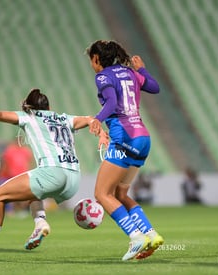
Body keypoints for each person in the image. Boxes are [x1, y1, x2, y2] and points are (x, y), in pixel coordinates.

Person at [0, 88, 100, 260]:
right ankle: (40, 222)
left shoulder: (29, 117)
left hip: (52, 172)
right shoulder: (64, 118)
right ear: (48, 107)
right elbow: (90, 119)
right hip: (73, 179)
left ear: (30, 108)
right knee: (35, 190)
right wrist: (102, 134)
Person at [86, 40, 164, 261]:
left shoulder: (103, 76)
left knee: (102, 194)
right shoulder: (130, 73)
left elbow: (111, 102)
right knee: (120, 194)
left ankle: (136, 237)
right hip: (143, 139)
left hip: (124, 139)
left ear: (96, 59)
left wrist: (97, 120)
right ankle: (150, 234)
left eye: (91, 60)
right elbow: (154, 87)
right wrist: (142, 69)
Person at [0, 138, 34, 216]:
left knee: (23, 194)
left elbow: (29, 164)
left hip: (22, 175)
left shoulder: (26, 151)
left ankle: (22, 210)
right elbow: (6, 164)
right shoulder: (10, 150)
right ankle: (10, 210)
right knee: (11, 194)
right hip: (12, 176)